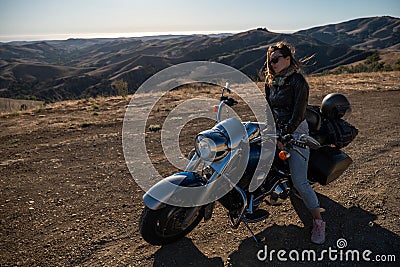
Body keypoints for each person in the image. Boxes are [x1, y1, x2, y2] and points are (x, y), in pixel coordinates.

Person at [264, 41, 325, 244]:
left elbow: (298, 114)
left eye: (275, 60)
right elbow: (267, 109)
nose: (272, 64)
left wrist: (284, 136)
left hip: (296, 133)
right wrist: (268, 130)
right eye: (269, 60)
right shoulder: (270, 81)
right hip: (276, 132)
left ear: (287, 59)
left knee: (300, 181)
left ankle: (318, 221)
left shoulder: (298, 81)